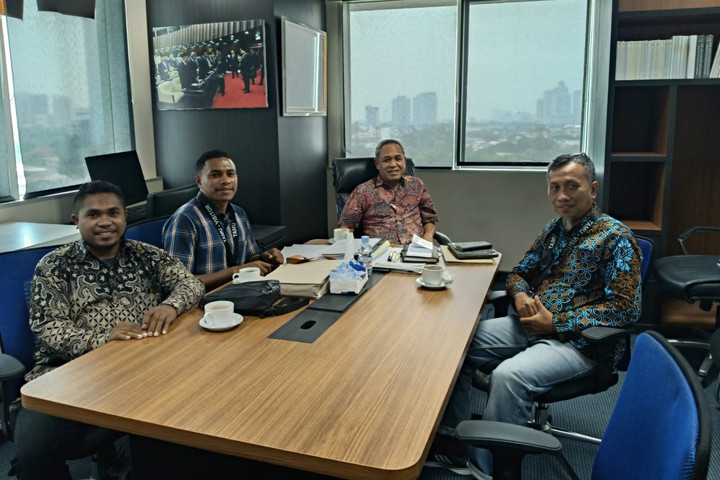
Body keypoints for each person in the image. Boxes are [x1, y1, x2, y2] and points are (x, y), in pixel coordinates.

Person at [426, 153, 643, 479]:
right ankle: (456, 441)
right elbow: (518, 273)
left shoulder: (615, 238)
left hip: (579, 343)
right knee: (454, 344)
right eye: (554, 187)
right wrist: (521, 295)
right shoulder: (555, 230)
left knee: (509, 376)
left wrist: (556, 323)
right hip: (530, 326)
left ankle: (489, 467)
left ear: (593, 189)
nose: (562, 196)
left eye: (572, 186)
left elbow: (626, 308)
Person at [12, 180, 205, 480]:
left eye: (113, 213)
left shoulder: (147, 256)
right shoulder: (53, 267)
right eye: (93, 214)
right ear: (76, 221)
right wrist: (103, 339)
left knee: (188, 423)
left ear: (125, 216)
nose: (105, 222)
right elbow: (48, 328)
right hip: (68, 375)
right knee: (33, 449)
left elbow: (190, 283)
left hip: (143, 369)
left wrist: (171, 305)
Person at [162, 150, 284, 290]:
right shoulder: (185, 219)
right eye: (215, 175)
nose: (226, 181)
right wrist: (234, 271)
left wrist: (264, 258)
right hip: (207, 300)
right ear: (199, 182)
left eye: (230, 174)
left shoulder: (239, 213)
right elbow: (177, 283)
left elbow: (248, 258)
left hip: (242, 291)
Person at [338, 138, 438, 245]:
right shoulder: (362, 192)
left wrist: (427, 237)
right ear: (377, 163)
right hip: (380, 250)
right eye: (387, 160)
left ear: (404, 161)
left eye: (398, 159)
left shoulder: (417, 185)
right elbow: (346, 227)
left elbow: (429, 219)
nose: (393, 164)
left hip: (415, 249)